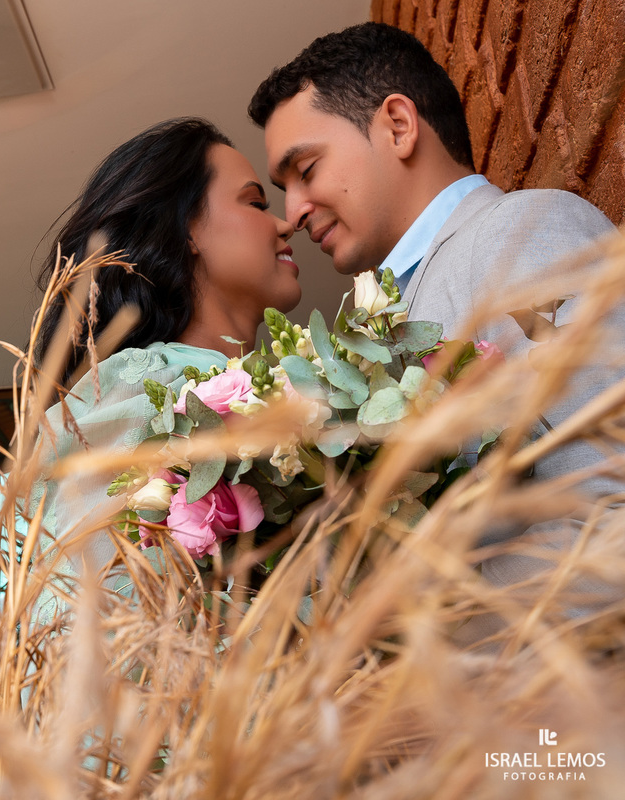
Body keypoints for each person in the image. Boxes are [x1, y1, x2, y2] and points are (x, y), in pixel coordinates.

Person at [248, 23, 619, 603]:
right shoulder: (379, 326)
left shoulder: (520, 235)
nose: (292, 211)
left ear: (398, 126)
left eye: (306, 170)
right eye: (281, 187)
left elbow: (612, 505)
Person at [30, 117, 300, 570]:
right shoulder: (139, 384)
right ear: (186, 230)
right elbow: (96, 600)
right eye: (255, 203)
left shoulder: (284, 386)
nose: (286, 223)